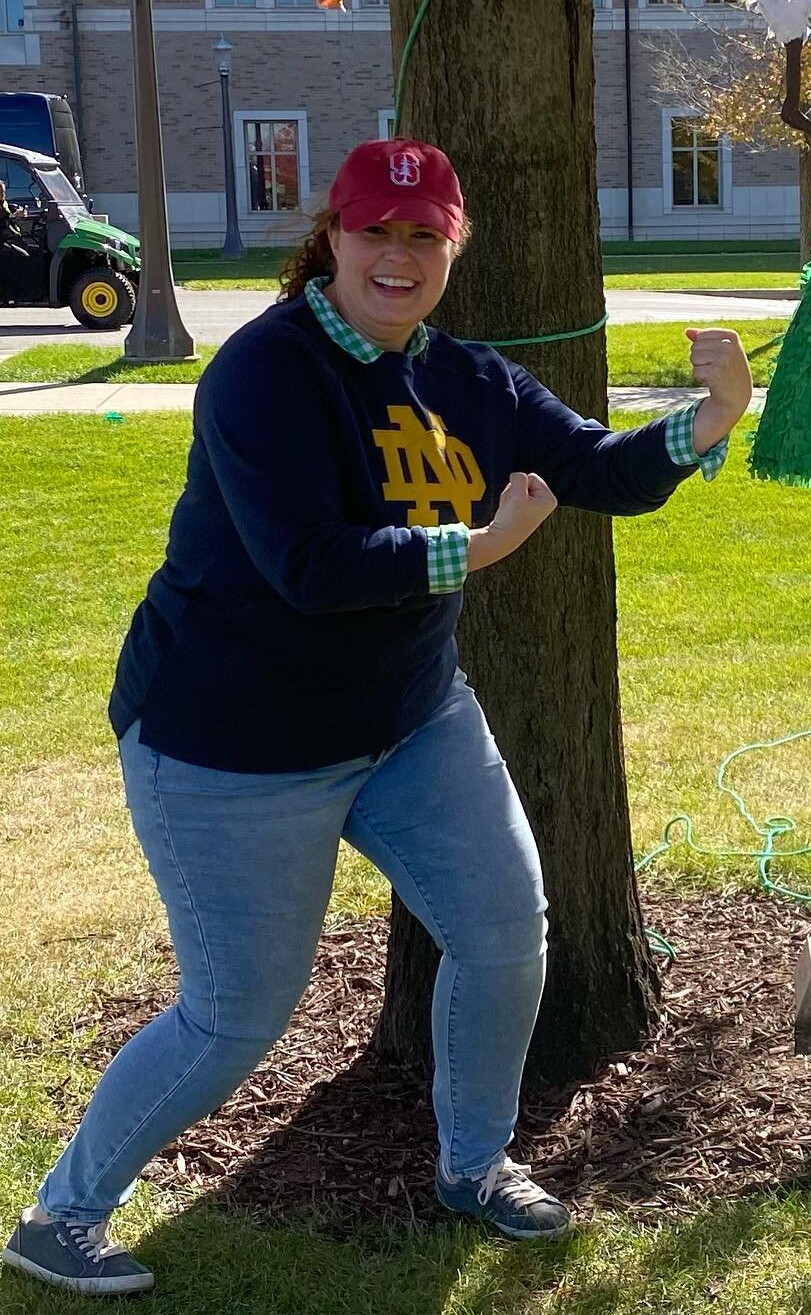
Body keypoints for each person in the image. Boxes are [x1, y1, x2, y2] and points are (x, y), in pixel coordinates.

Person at [3, 137, 752, 1297]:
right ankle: (61, 1216)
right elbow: (308, 563)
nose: (397, 255)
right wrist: (476, 547)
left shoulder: (467, 377)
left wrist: (707, 418)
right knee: (234, 1016)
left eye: (424, 235)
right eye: (375, 231)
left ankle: (473, 1165)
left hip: (409, 721)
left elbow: (592, 469)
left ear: (452, 247)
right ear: (334, 239)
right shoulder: (264, 373)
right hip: (230, 741)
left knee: (508, 932)